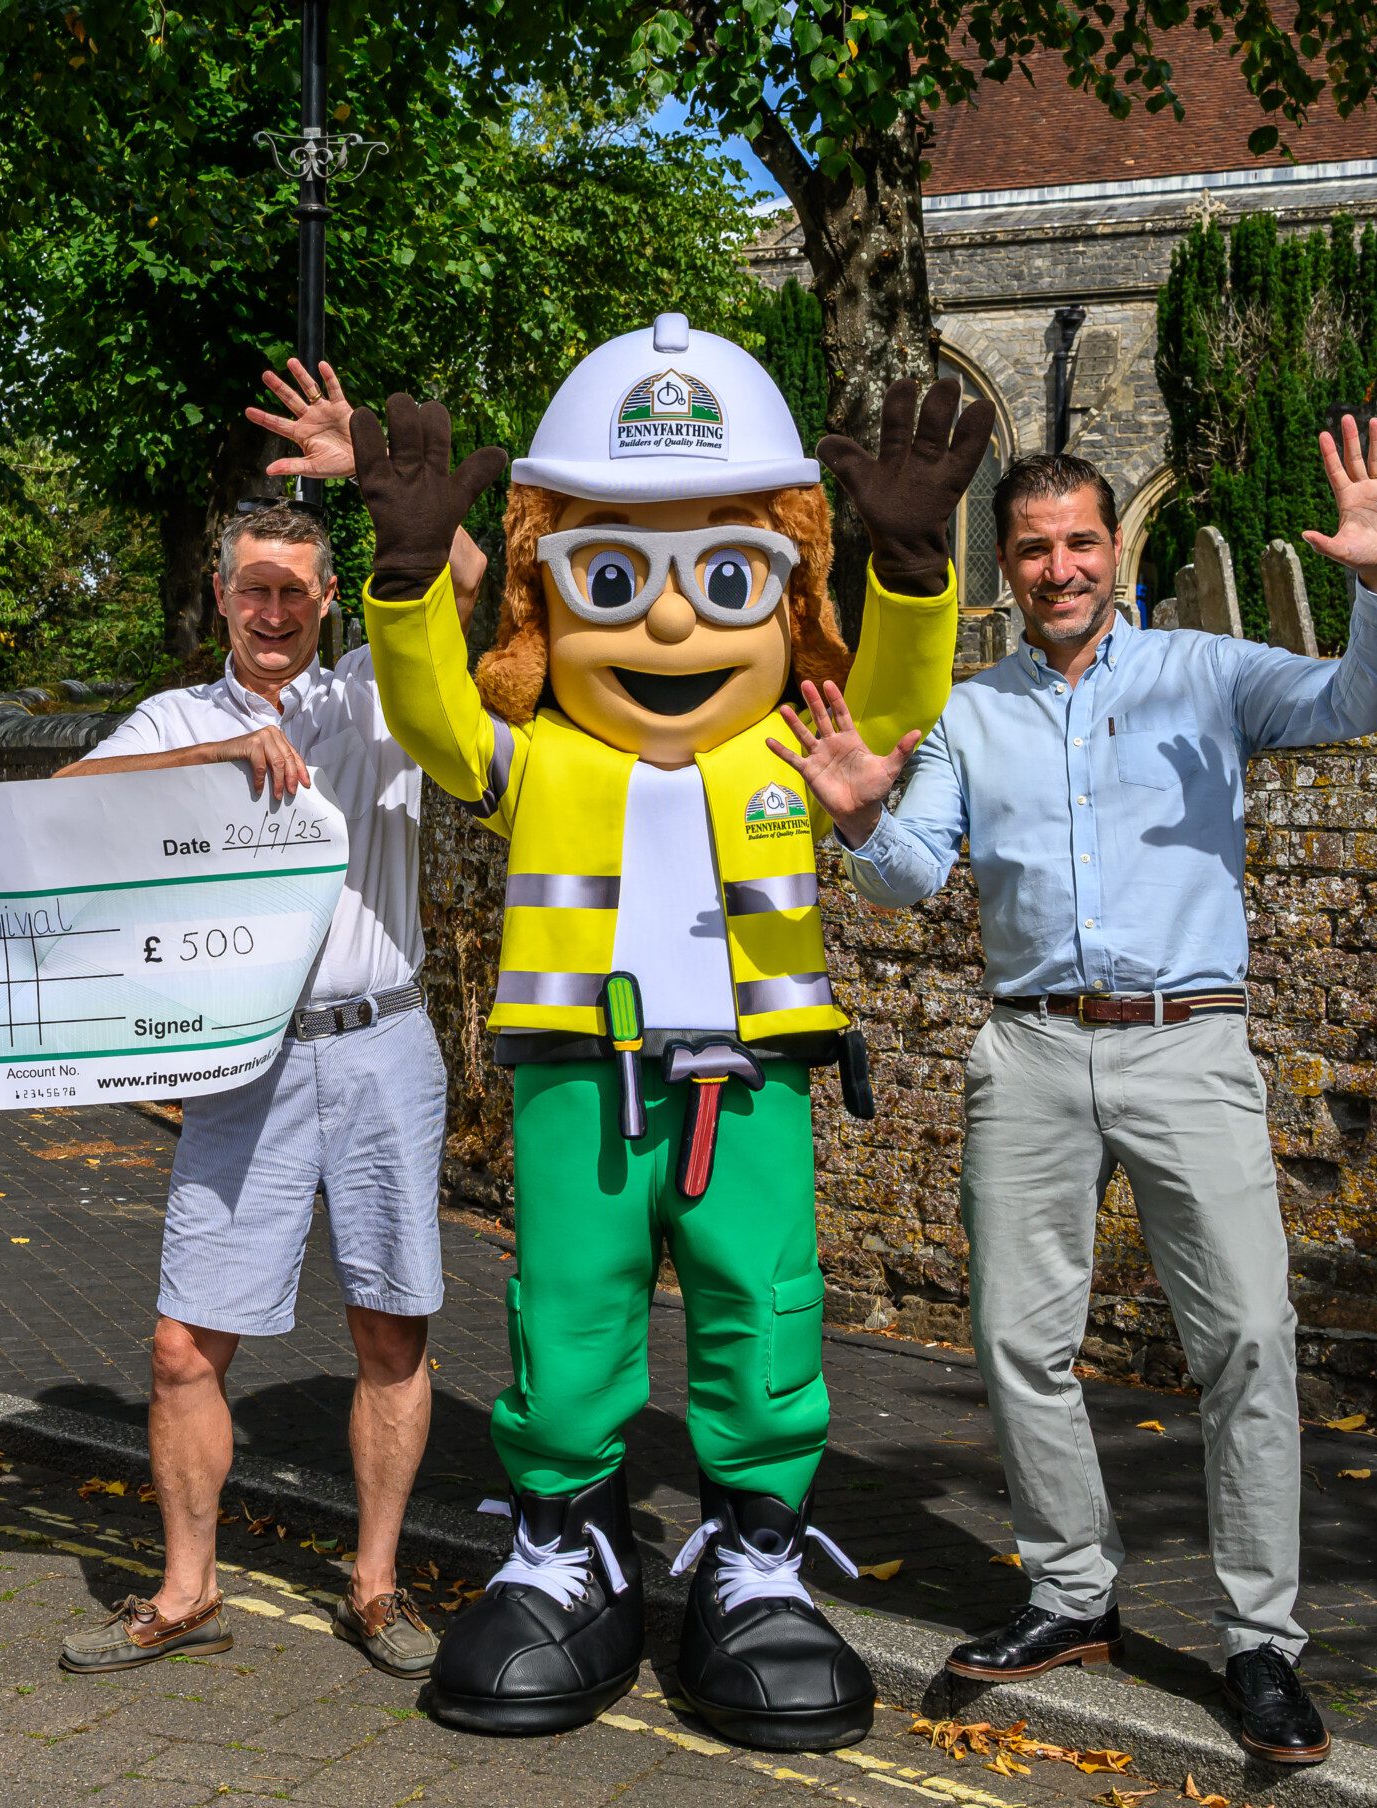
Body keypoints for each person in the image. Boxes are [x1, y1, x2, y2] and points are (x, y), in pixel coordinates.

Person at [351, 321, 973, 1749]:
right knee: (570, 1306)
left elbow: (884, 712)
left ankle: (757, 1563)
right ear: (543, 596)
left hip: (750, 1079)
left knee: (764, 1304)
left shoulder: (790, 750)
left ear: (788, 591)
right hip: (581, 1077)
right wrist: (406, 580)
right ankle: (565, 1548)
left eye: (730, 577)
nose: (674, 628)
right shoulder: (540, 755)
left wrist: (912, 571)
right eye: (612, 580)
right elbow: (433, 718)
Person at [777, 419, 1377, 1766]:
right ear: (1006, 567)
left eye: (1081, 541)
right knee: (1018, 1340)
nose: (1060, 567)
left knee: (1247, 1338)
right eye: (1033, 549)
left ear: (1117, 548)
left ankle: (1260, 1641)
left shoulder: (1206, 671)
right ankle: (1071, 1593)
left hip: (1188, 1042)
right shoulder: (970, 711)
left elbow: (1367, 700)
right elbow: (907, 878)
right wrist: (857, 816)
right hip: (1028, 1050)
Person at [48, 366, 485, 1678]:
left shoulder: (378, 693)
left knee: (390, 1330)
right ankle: (186, 1591)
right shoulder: (179, 715)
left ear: (330, 598)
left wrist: (376, 472)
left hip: (381, 1039)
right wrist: (212, 758)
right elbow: (62, 799)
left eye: (296, 590)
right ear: (222, 596)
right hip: (241, 1057)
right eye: (255, 589)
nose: (275, 611)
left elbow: (474, 588)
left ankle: (376, 1584)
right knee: (185, 1343)